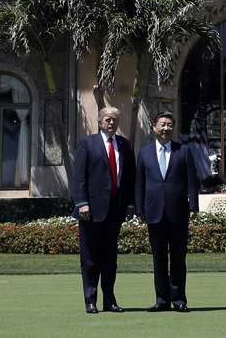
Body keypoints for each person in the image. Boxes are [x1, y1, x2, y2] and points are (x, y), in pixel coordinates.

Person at [71, 106, 134, 314]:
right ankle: (90, 300)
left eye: (115, 120)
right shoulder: (87, 144)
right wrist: (82, 203)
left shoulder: (125, 145)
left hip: (115, 212)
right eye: (107, 119)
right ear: (100, 122)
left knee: (110, 259)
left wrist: (130, 205)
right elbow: (79, 177)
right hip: (90, 211)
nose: (111, 123)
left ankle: (109, 300)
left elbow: (129, 178)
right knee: (90, 258)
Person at [135, 111, 198, 312]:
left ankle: (179, 300)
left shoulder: (184, 151)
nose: (166, 128)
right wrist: (138, 209)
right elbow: (140, 184)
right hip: (153, 212)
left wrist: (193, 206)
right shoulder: (144, 153)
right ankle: (162, 300)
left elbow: (192, 182)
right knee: (159, 258)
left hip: (178, 213)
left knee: (178, 258)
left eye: (170, 125)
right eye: (162, 124)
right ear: (154, 127)